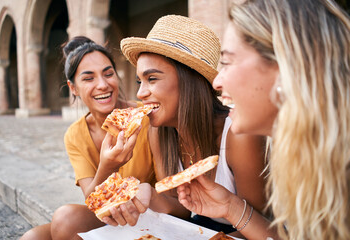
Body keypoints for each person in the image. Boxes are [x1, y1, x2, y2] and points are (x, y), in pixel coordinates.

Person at [177, 0, 350, 239]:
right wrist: (229, 206)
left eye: (226, 62)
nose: (216, 83)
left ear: (286, 67)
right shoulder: (300, 155)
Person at [101, 15, 269, 236]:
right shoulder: (158, 131)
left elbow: (260, 227)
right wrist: (149, 194)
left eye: (152, 79)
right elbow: (181, 207)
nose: (140, 93)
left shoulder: (238, 135)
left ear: (190, 82)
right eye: (139, 82)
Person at [20, 36, 156, 240]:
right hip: (107, 214)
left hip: (148, 213)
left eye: (108, 74)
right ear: (73, 87)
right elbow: (92, 200)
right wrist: (106, 166)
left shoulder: (146, 116)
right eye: (88, 78)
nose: (102, 85)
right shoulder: (75, 134)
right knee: (31, 237)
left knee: (66, 219)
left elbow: (172, 198)